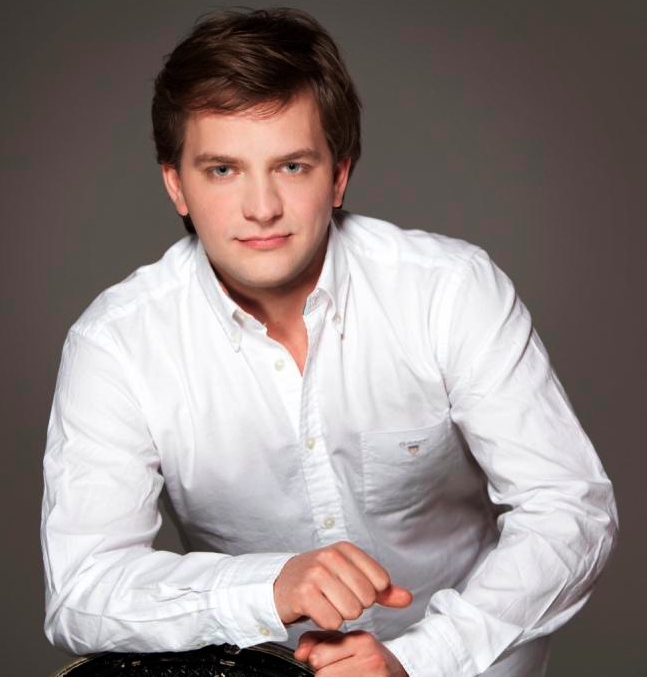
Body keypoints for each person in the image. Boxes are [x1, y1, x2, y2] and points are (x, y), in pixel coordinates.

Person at [41, 8, 618, 676]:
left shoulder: (448, 290)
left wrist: (419, 659)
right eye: (223, 170)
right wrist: (267, 587)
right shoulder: (116, 344)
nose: (261, 207)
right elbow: (82, 589)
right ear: (177, 185)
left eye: (291, 166)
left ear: (338, 175)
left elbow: (568, 511)